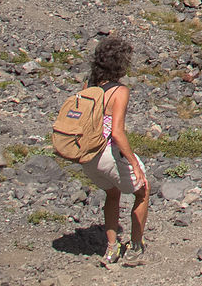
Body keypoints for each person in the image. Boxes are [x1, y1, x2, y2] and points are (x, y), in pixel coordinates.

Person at [81, 36, 149, 266]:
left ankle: (111, 249)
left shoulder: (88, 86)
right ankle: (136, 247)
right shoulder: (119, 91)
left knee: (112, 193)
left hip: (87, 157)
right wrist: (135, 163)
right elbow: (117, 133)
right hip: (106, 153)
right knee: (142, 191)